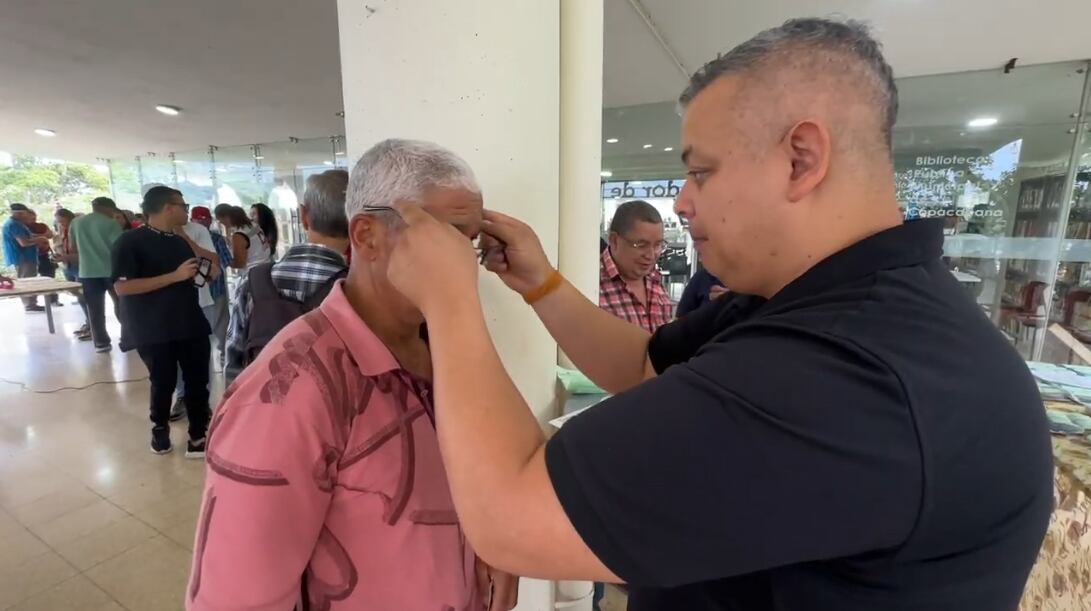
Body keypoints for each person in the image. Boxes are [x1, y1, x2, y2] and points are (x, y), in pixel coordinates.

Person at [381, 18, 1052, 611]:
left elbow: (507, 518)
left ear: (801, 159)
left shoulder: (849, 372)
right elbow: (642, 364)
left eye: (701, 172)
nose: (680, 201)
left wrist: (451, 301)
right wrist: (542, 284)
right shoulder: (805, 300)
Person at [186, 139, 518, 611]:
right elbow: (235, 599)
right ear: (367, 235)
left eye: (470, 244)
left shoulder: (447, 346)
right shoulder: (289, 392)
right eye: (445, 240)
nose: (463, 264)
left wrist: (493, 539)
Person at [223, 170, 350, 385]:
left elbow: (234, 363)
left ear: (303, 215)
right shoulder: (359, 289)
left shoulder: (252, 282)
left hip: (267, 400)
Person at [112, 186, 211, 457]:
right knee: (163, 382)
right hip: (153, 327)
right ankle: (160, 429)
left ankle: (198, 434)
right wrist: (174, 276)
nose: (186, 211)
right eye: (183, 206)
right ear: (168, 207)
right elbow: (123, 287)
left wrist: (201, 274)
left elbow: (189, 276)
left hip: (189, 322)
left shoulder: (179, 241)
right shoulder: (129, 242)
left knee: (197, 381)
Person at [168, 205, 222, 422]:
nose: (186, 211)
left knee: (201, 354)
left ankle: (202, 400)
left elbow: (213, 262)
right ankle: (182, 396)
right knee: (175, 354)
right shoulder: (151, 236)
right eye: (182, 207)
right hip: (170, 305)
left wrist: (184, 238)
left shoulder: (198, 231)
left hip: (201, 301)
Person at [600, 200, 673, 333]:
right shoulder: (590, 283)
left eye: (658, 245)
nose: (651, 255)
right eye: (641, 245)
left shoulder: (655, 281)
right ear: (614, 240)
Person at [70, 197, 123, 352]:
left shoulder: (76, 223)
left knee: (94, 308)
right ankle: (128, 335)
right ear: (109, 208)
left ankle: (101, 343)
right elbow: (120, 248)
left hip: (87, 272)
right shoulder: (110, 223)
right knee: (121, 303)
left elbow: (73, 248)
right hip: (111, 270)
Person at [190, 205, 232, 366]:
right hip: (214, 288)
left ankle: (213, 354)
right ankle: (223, 353)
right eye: (199, 220)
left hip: (205, 289)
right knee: (221, 322)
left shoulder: (183, 238)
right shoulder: (216, 238)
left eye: (204, 219)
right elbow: (226, 262)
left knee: (210, 323)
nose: (203, 223)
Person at [2, 203, 50, 312]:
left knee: (30, 278)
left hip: (27, 256)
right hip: (23, 257)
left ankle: (31, 303)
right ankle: (29, 304)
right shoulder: (13, 225)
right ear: (19, 214)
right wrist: (39, 239)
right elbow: (23, 242)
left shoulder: (18, 224)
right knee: (27, 280)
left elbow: (29, 236)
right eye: (26, 214)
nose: (27, 216)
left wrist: (42, 236)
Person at [53, 208, 91, 339]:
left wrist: (65, 257)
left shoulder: (80, 231)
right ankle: (88, 323)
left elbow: (84, 253)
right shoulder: (62, 232)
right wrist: (59, 256)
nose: (61, 224)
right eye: (59, 222)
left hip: (80, 267)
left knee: (86, 298)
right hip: (68, 266)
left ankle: (93, 327)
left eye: (63, 221)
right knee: (79, 297)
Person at [214, 204, 270, 270]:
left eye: (220, 220)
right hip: (267, 266)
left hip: (253, 270)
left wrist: (225, 259)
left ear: (226, 217)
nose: (220, 222)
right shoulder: (254, 225)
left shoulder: (239, 235)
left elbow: (240, 264)